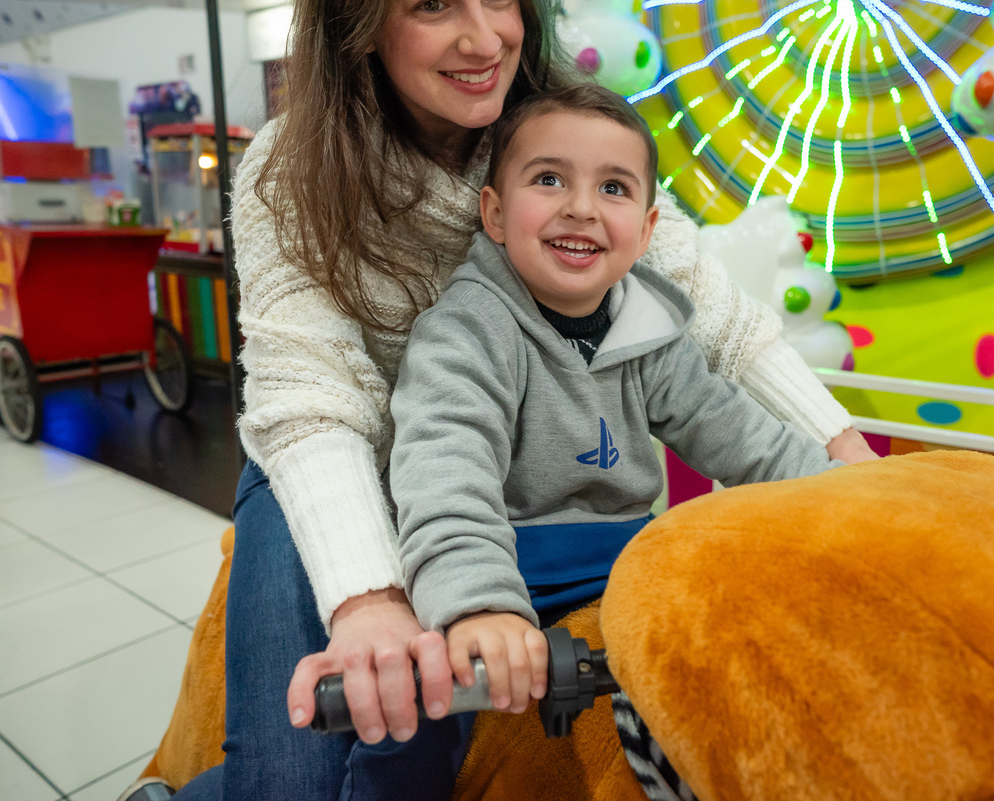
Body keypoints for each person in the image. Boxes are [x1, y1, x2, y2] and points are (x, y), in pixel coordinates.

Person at [168, 0, 876, 797]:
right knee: (308, 768)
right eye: (434, 3)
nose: (484, 38)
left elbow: (718, 342)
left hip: (510, 487)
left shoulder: (564, 129)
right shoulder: (305, 181)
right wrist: (373, 600)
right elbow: (316, 399)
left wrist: (846, 464)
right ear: (357, 22)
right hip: (350, 462)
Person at [391, 84, 844, 730]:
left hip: (631, 567)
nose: (581, 208)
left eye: (613, 188)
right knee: (416, 723)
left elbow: (743, 437)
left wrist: (846, 493)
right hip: (513, 574)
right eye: (549, 179)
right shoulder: (467, 332)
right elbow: (445, 471)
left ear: (646, 231)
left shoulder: (648, 329)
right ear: (494, 213)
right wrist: (479, 604)